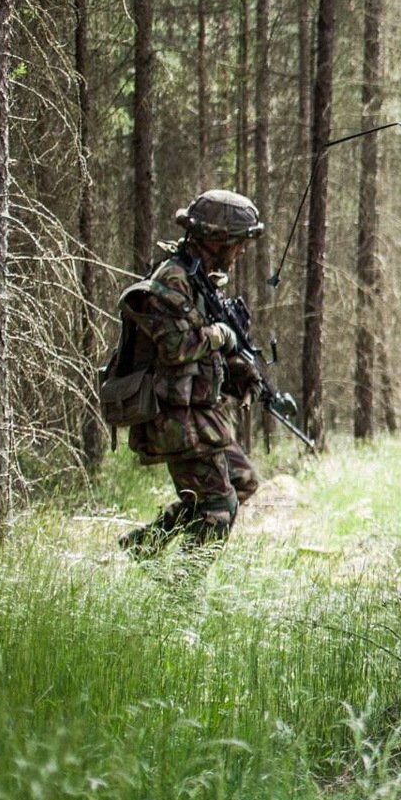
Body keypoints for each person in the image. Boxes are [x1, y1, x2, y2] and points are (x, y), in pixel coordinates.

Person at [117, 190, 267, 559]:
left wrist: (240, 371)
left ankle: (143, 546)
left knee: (241, 482)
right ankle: (182, 594)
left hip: (198, 413)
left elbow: (201, 355)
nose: (240, 252)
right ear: (216, 241)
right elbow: (176, 348)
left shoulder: (201, 282)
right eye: (237, 243)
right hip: (173, 416)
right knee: (218, 507)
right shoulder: (173, 279)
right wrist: (222, 336)